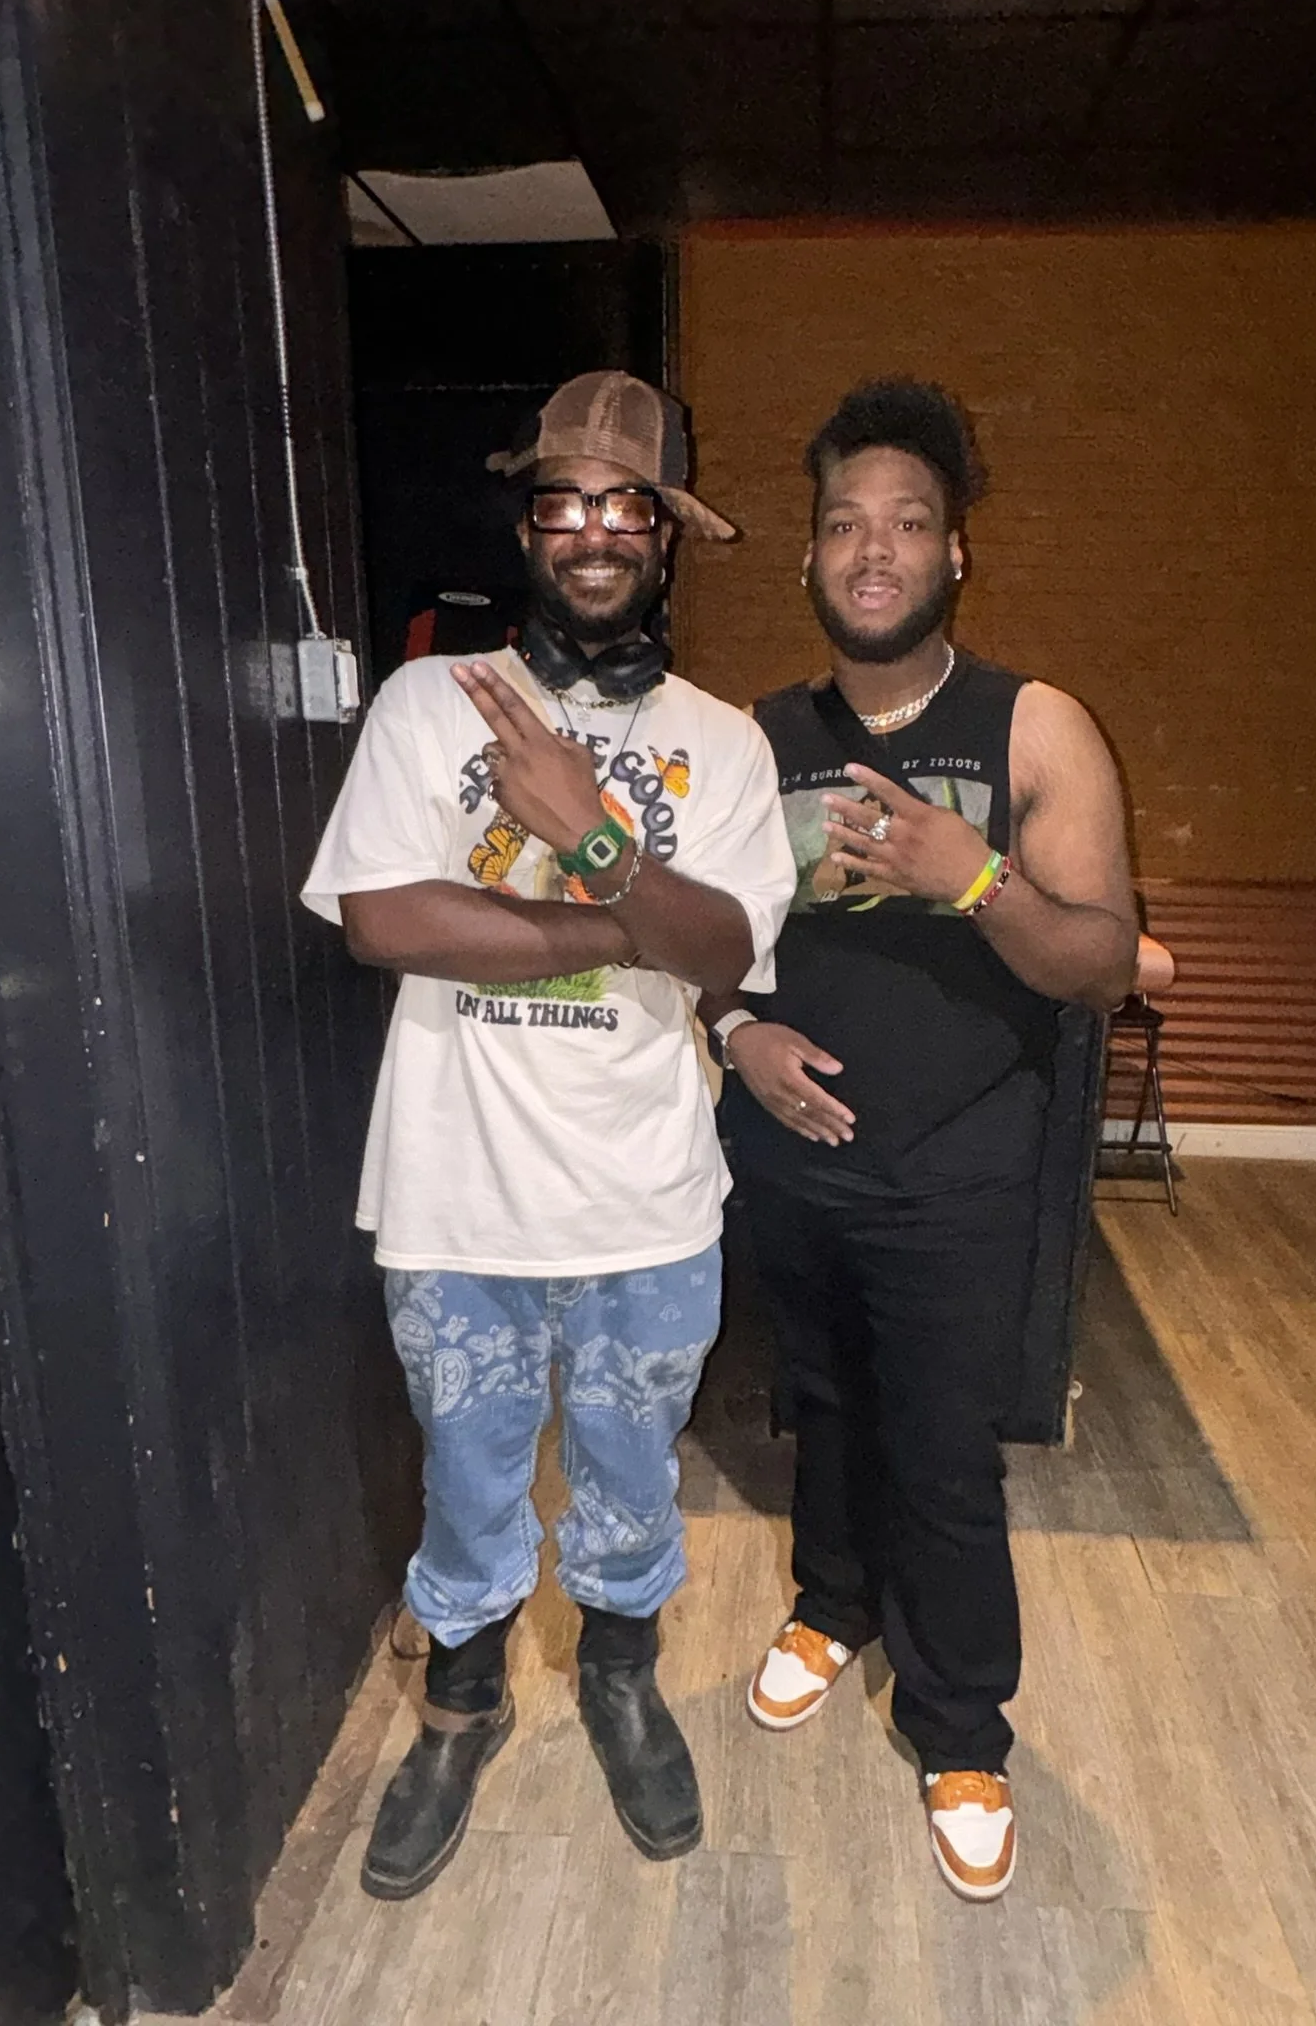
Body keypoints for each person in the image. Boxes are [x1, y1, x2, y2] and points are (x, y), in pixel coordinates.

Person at [303, 370, 795, 1899]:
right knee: (467, 1481)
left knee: (634, 1479)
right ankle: (458, 1709)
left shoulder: (724, 742)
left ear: (668, 534)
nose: (591, 534)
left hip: (647, 1202)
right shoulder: (420, 704)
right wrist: (614, 913)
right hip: (458, 1198)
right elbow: (387, 920)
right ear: (531, 527)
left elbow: (718, 953)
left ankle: (621, 1680)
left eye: (624, 507)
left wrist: (585, 826)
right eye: (562, 504)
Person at [700, 379, 1137, 1903]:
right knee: (820, 1401)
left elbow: (1096, 959)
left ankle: (961, 1727)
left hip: (961, 1162)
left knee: (944, 1446)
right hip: (798, 1148)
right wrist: (735, 1036)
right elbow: (712, 945)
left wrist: (970, 878)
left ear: (956, 552)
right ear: (810, 559)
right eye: (842, 525)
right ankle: (834, 1604)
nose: (870, 551)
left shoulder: (1035, 725)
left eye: (905, 524)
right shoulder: (752, 738)